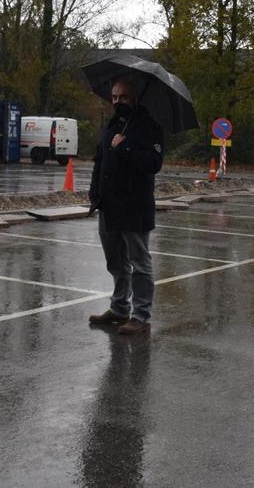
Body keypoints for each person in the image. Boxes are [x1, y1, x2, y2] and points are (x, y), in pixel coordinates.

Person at [88, 77, 164, 336]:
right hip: (108, 204)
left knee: (139, 262)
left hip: (135, 206)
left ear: (135, 98)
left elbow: (154, 163)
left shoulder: (148, 127)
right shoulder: (111, 125)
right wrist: (94, 191)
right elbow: (100, 159)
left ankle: (140, 315)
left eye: (123, 97)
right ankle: (119, 308)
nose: (117, 102)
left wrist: (126, 148)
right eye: (114, 98)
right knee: (116, 261)